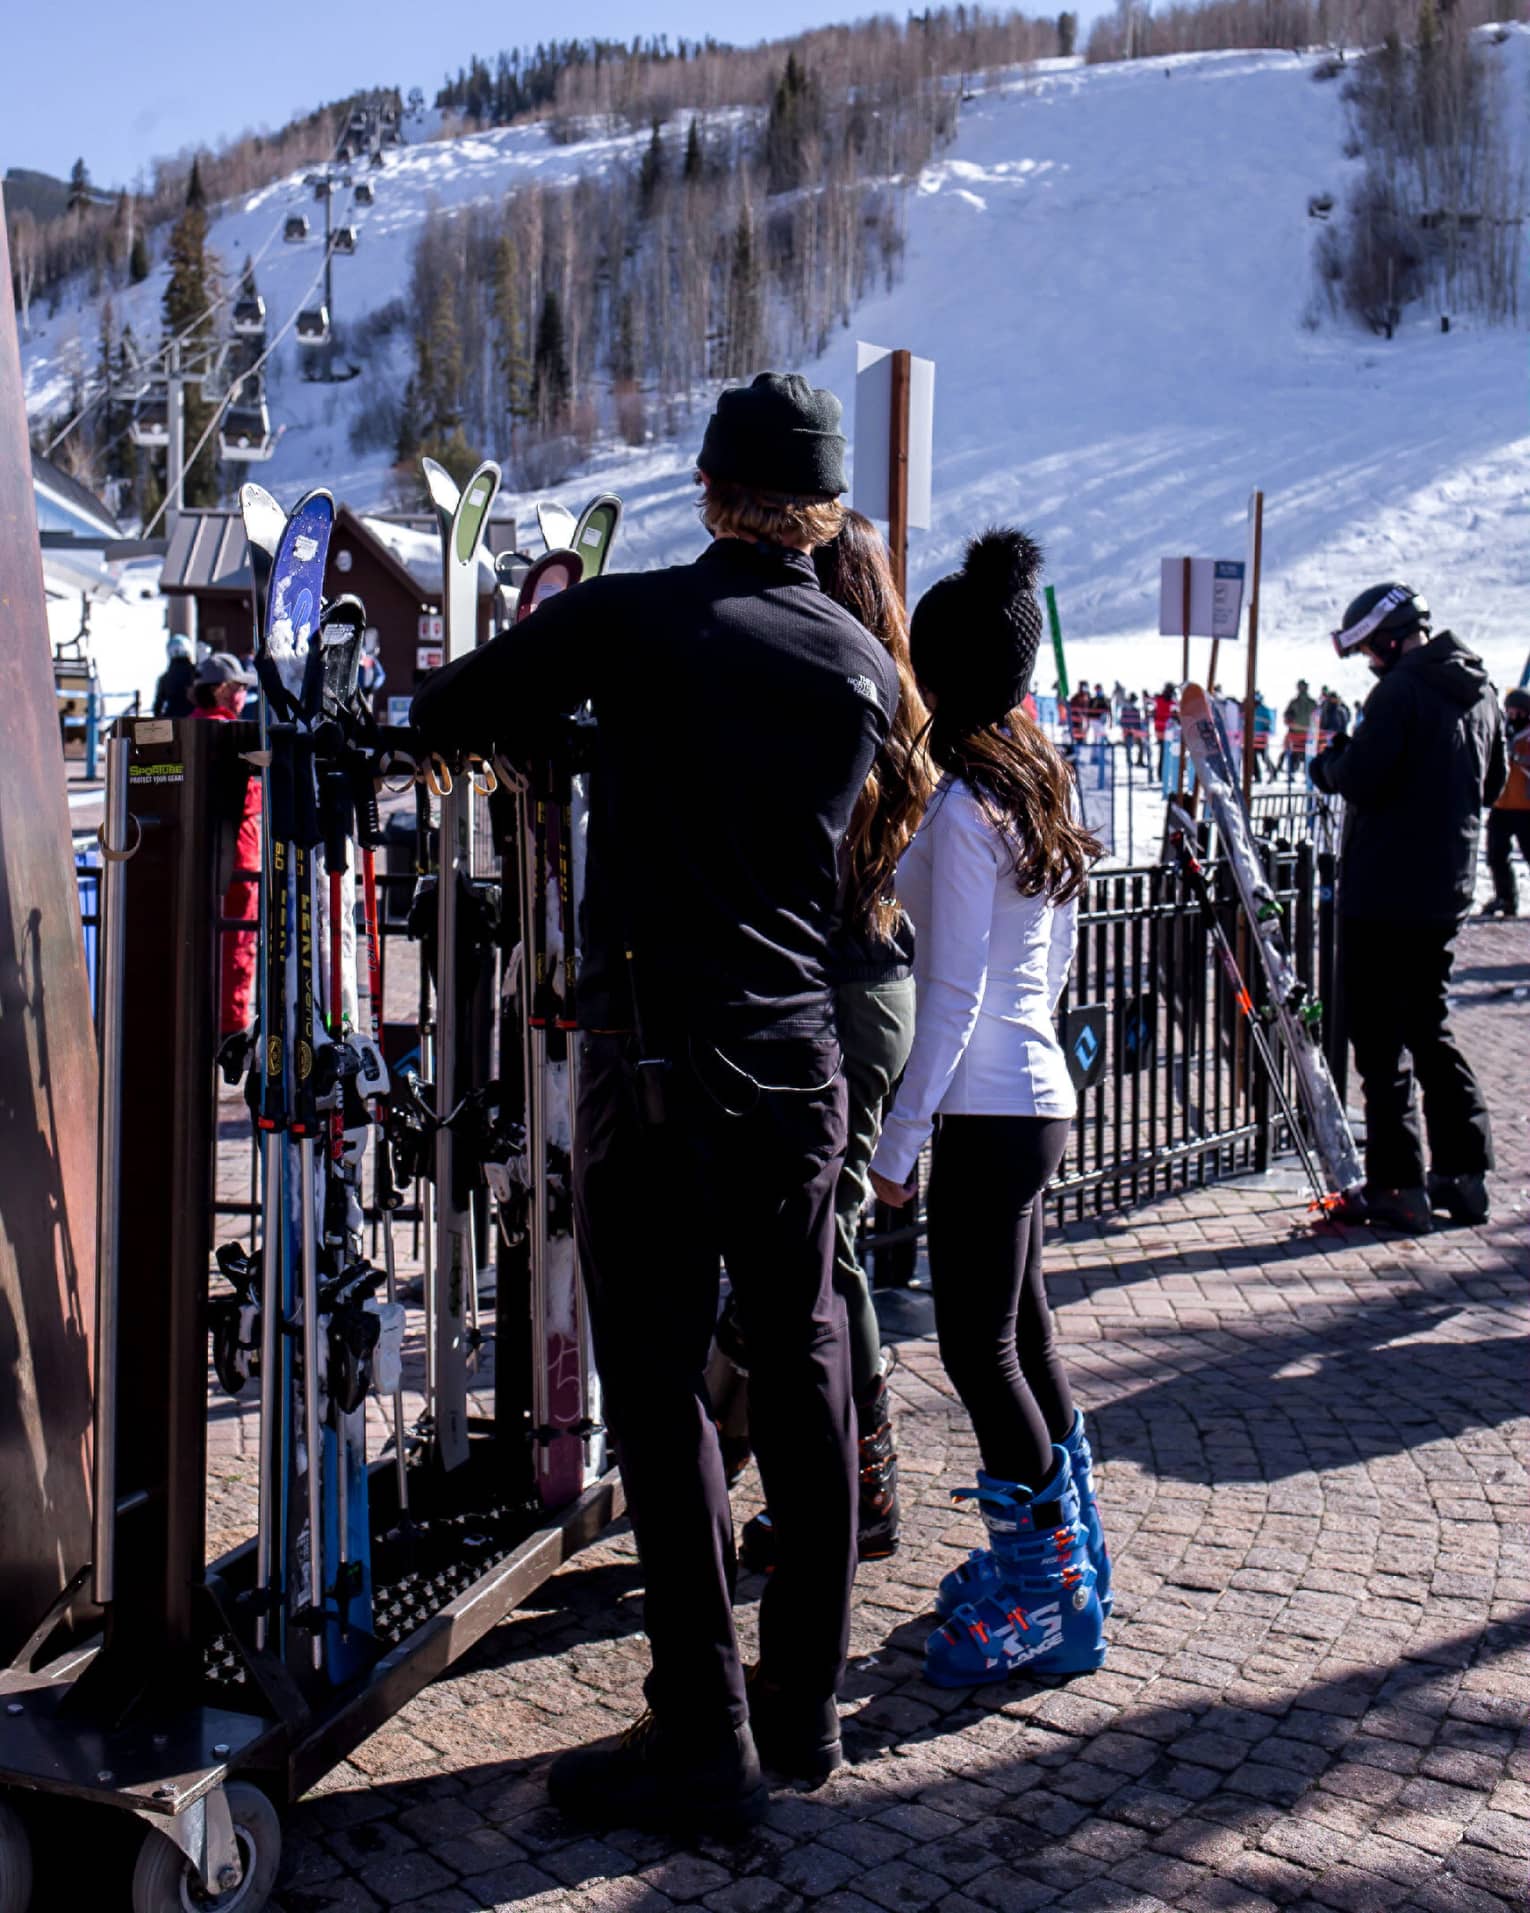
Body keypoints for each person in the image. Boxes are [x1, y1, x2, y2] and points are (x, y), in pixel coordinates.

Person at [412, 373, 898, 1831]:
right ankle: (806, 1710)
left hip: (657, 1060)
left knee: (665, 1385)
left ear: (707, 491)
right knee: (805, 1364)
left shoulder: (632, 621)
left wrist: (578, 741)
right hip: (795, 1056)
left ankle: (702, 1725)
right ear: (822, 515)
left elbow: (452, 707)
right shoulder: (857, 666)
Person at [866, 529, 1110, 1688]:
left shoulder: (968, 802)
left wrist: (901, 1139)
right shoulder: (1036, 769)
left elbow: (951, 989)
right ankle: (1069, 1565)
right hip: (1033, 1087)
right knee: (1027, 1337)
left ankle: (1046, 1591)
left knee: (978, 1346)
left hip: (986, 1102)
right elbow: (1044, 957)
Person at [736, 508, 936, 1573]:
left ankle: (859, 1490)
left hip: (847, 991)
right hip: (879, 987)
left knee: (830, 1249)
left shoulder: (841, 695)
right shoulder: (894, 697)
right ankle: (847, 1478)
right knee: (826, 1240)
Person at [1311, 584, 1505, 1233]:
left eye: (1369, 647)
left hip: (1382, 893)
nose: (1369, 659)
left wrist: (1331, 762)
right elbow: (1494, 783)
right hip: (1444, 890)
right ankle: (1464, 1171)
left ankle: (1399, 1183)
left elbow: (1361, 775)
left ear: (1390, 638)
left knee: (1380, 1040)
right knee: (1430, 1027)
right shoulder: (1480, 691)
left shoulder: (1398, 692)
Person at [191, 653, 261, 1036]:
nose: (243, 696)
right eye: (239, 688)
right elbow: (249, 798)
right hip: (238, 849)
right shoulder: (231, 736)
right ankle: (231, 1026)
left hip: (201, 850)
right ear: (220, 689)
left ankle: (197, 1014)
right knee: (238, 938)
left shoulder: (190, 729)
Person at [1482, 687, 1530, 917]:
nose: (1512, 716)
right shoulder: (1502, 734)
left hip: (1526, 808)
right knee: (1496, 855)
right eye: (1509, 711)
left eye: (1517, 712)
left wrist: (1520, 758)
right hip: (1501, 805)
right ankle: (1506, 898)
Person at [153, 634, 197, 718]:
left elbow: (157, 707)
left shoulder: (164, 678)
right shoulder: (196, 672)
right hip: (195, 721)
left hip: (171, 721)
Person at [1283, 678, 1316, 776]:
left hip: (1295, 733)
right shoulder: (1313, 703)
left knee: (1292, 751)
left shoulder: (1293, 703)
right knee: (1308, 754)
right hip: (1309, 734)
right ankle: (1308, 773)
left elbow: (1287, 717)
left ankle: (1291, 771)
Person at [1152, 682, 1176, 778]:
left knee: (1164, 753)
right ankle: (1162, 774)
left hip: (1162, 730)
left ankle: (1162, 774)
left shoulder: (1160, 700)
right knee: (1166, 753)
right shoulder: (1169, 702)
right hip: (1165, 730)